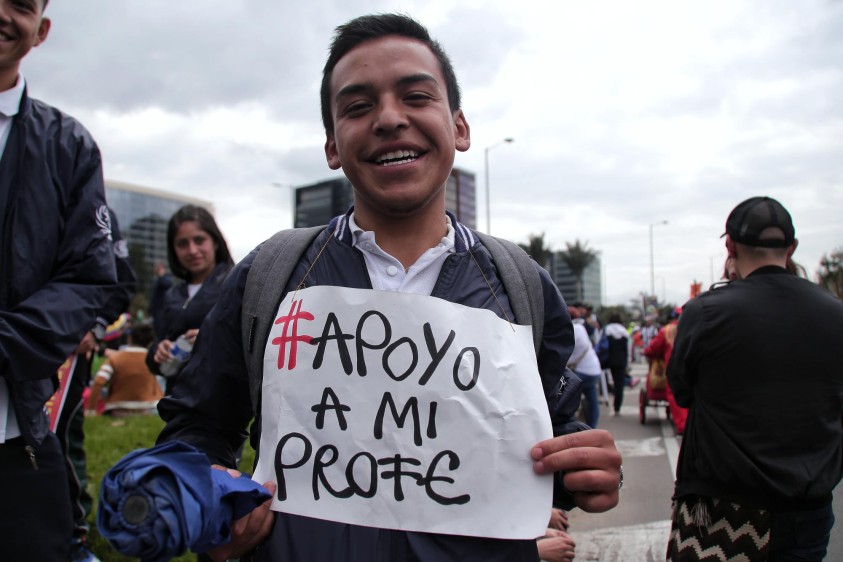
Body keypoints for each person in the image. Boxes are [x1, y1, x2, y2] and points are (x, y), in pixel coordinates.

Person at [155, 13, 622, 561]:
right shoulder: (270, 275)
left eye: (417, 96)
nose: (390, 119)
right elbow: (197, 424)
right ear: (332, 146)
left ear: (460, 127)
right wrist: (210, 502)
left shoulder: (520, 285)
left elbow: (549, 430)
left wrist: (583, 468)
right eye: (358, 107)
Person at [0, 0, 118, 559]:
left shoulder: (66, 146)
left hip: (16, 431)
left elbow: (91, 280)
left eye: (19, 4)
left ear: (40, 30)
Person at [666, 196, 843, 561]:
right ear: (791, 247)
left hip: (725, 507)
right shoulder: (835, 313)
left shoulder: (706, 312)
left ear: (729, 245)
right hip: (809, 505)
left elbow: (681, 391)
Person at [55, 206, 136, 562]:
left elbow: (122, 281)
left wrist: (93, 327)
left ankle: (75, 536)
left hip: (64, 349)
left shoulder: (95, 209)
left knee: (59, 439)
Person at [146, 204, 234, 393]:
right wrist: (158, 352)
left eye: (199, 240)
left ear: (216, 241)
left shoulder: (235, 287)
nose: (192, 250)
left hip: (222, 405)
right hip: (176, 401)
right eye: (182, 243)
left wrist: (209, 340)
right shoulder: (170, 294)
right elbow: (159, 341)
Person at [86, 323, 162, 417]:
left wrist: (90, 410)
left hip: (119, 407)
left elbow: (98, 381)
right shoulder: (153, 359)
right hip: (149, 406)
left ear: (129, 338)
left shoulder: (116, 358)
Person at [643, 306, 686, 434]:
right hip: (693, 365)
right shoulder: (692, 325)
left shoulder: (666, 330)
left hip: (673, 367)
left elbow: (653, 348)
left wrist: (646, 352)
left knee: (674, 394)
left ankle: (683, 425)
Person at [566, 306, 602, 428]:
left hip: (583, 371)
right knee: (593, 402)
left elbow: (565, 353)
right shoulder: (580, 327)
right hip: (594, 369)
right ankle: (592, 427)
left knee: (564, 398)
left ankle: (570, 426)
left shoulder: (572, 330)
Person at [603, 313, 629, 416]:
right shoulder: (624, 332)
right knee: (619, 385)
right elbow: (628, 349)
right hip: (621, 362)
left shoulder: (606, 330)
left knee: (608, 382)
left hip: (608, 361)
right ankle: (617, 407)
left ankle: (606, 397)